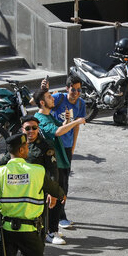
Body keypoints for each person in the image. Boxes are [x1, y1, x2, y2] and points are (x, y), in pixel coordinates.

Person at [34, 88, 84, 246]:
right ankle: (50, 231)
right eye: (49, 97)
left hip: (59, 162)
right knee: (54, 198)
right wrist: (76, 121)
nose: (52, 99)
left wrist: (68, 120)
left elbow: (61, 126)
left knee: (59, 196)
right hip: (51, 165)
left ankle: (51, 228)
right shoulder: (40, 118)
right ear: (42, 102)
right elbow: (56, 132)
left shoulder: (48, 116)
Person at [50, 77, 86, 229]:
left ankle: (60, 215)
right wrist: (46, 90)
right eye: (73, 89)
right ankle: (54, 217)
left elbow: (77, 126)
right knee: (54, 180)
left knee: (64, 181)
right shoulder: (58, 98)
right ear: (67, 88)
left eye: (79, 90)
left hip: (66, 147)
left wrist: (72, 147)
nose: (76, 93)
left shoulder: (80, 103)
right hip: (53, 145)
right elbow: (38, 102)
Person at [22, 115, 57, 252]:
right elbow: (3, 163)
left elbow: (53, 171)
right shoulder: (16, 144)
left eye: (34, 128)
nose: (31, 131)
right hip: (20, 193)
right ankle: (25, 254)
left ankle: (37, 255)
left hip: (38, 193)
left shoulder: (46, 147)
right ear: (22, 129)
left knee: (39, 226)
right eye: (28, 128)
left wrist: (53, 193)